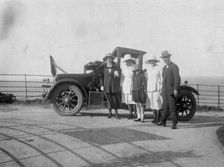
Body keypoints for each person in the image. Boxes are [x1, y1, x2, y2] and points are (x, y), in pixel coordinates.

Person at [158, 51, 181, 129]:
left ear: (169, 57)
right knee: (164, 107)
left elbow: (177, 79)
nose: (165, 59)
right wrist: (161, 89)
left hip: (171, 91)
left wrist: (175, 89)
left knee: (172, 107)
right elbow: (163, 80)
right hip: (164, 91)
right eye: (164, 58)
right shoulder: (164, 68)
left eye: (166, 57)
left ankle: (174, 123)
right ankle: (163, 121)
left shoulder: (174, 66)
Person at [101, 53, 121, 119]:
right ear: (106, 60)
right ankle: (110, 113)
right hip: (107, 86)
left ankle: (116, 114)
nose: (109, 60)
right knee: (109, 100)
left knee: (115, 100)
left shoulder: (116, 67)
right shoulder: (103, 68)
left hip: (114, 86)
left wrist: (117, 75)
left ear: (112, 59)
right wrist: (102, 85)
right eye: (108, 58)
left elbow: (119, 77)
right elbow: (101, 77)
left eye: (110, 58)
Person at [145, 56, 163, 124]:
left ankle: (158, 118)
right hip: (149, 88)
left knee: (157, 103)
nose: (152, 62)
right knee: (152, 103)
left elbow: (162, 79)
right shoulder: (148, 68)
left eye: (153, 61)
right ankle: (154, 117)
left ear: (155, 61)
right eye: (151, 61)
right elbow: (147, 78)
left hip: (157, 88)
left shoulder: (159, 68)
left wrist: (161, 88)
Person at [121, 54, 136, 119]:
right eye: (126, 61)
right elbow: (122, 77)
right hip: (125, 84)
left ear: (131, 60)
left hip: (132, 84)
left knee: (133, 100)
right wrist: (121, 85)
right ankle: (130, 113)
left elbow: (136, 76)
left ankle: (135, 113)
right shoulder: (123, 68)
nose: (128, 62)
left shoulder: (134, 67)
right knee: (128, 100)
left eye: (129, 60)